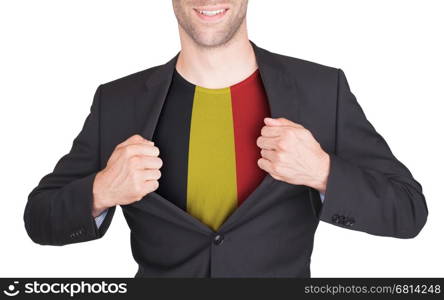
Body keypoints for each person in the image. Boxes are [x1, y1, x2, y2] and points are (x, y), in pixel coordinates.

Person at [24, 0, 428, 277]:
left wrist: (323, 172)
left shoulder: (322, 91)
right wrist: (101, 190)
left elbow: (408, 210)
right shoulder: (117, 102)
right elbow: (40, 219)